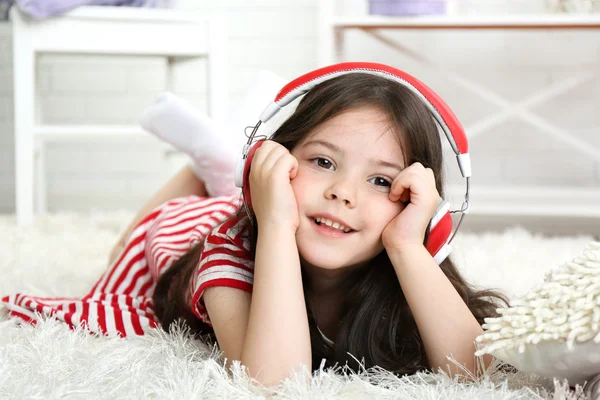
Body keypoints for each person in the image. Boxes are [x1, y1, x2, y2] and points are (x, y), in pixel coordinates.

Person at [1, 65, 508, 387]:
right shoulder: (226, 252)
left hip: (273, 209)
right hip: (186, 233)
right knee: (125, 248)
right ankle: (212, 165)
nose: (344, 193)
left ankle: (219, 163)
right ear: (273, 162)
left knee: (229, 197)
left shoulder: (403, 258)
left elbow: (479, 372)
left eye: (381, 181)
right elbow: (273, 382)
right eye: (324, 163)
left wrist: (407, 247)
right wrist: (276, 219)